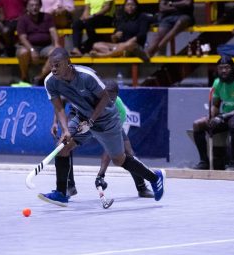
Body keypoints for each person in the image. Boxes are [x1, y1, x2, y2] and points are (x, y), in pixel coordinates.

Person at [39, 47, 165, 208]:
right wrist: (65, 130)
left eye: (57, 65)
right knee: (62, 148)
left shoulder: (87, 76)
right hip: (81, 116)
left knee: (119, 160)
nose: (54, 69)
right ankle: (61, 193)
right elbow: (59, 108)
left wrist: (91, 121)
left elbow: (105, 97)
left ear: (68, 63)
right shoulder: (50, 81)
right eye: (51, 65)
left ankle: (155, 177)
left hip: (106, 119)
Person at [192, 55, 234, 171]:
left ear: (233, 68)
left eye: (227, 67)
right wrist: (211, 117)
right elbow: (216, 105)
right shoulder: (217, 83)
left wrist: (222, 117)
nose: (224, 71)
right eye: (221, 68)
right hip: (225, 118)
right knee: (198, 124)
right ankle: (204, 162)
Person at [95, 79, 154, 198]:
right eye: (107, 96)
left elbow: (110, 147)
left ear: (117, 96)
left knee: (129, 153)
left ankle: (142, 188)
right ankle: (67, 187)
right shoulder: (95, 99)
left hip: (114, 125)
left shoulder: (120, 108)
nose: (109, 100)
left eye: (113, 98)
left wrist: (101, 174)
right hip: (94, 123)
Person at [16, 0, 61, 85]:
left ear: (40, 6)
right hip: (28, 46)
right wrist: (32, 50)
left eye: (36, 5)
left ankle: (39, 77)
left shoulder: (47, 17)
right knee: (22, 52)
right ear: (27, 7)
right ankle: (24, 77)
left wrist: (57, 44)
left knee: (57, 53)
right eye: (32, 5)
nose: (34, 7)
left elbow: (53, 31)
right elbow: (22, 38)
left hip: (45, 46)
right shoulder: (22, 19)